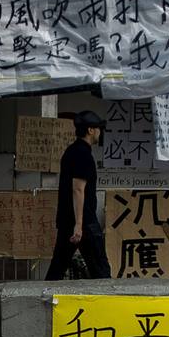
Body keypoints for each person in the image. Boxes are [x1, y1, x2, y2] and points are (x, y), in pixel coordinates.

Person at [44, 110, 111, 281]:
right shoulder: (83, 154)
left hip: (69, 221)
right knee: (101, 270)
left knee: (58, 269)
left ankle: (44, 297)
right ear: (90, 130)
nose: (99, 132)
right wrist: (79, 225)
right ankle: (107, 303)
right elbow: (78, 189)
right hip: (84, 223)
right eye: (98, 128)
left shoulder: (72, 151)